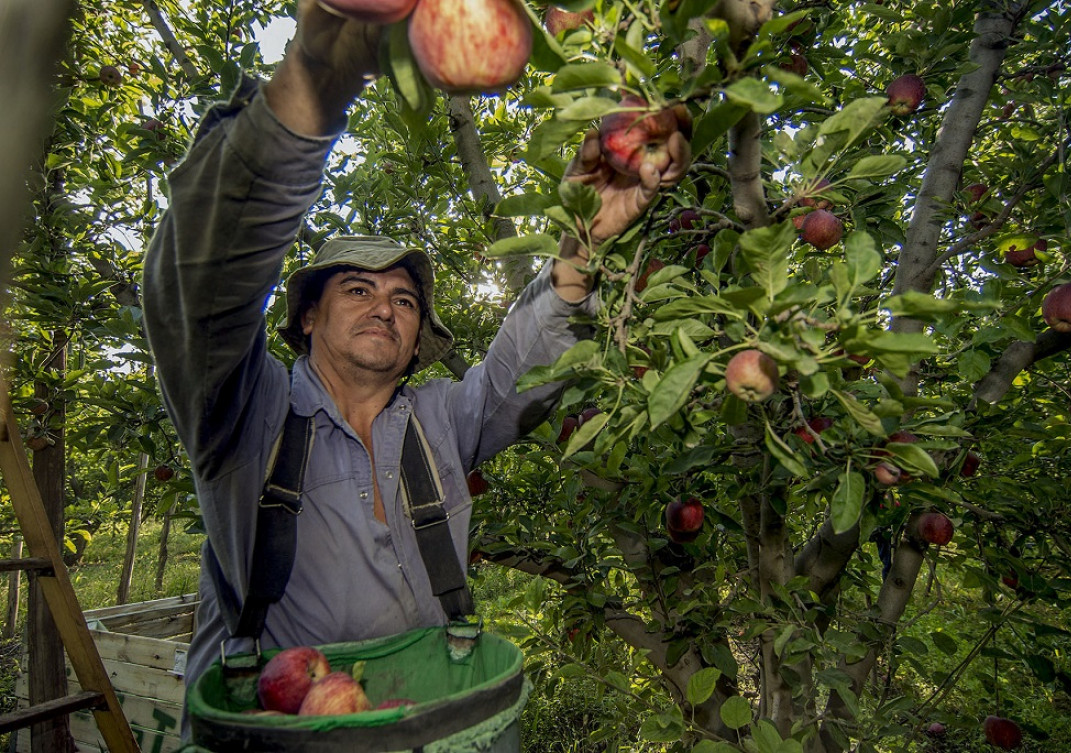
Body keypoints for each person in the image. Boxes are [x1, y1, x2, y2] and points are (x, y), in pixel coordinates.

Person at [142, 0, 689, 736]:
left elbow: (515, 374)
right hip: (278, 734)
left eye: (404, 299)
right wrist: (311, 86)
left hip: (433, 727)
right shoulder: (245, 417)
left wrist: (580, 250)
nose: (386, 308)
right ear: (306, 316)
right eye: (358, 290)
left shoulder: (438, 421)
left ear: (416, 336)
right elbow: (199, 289)